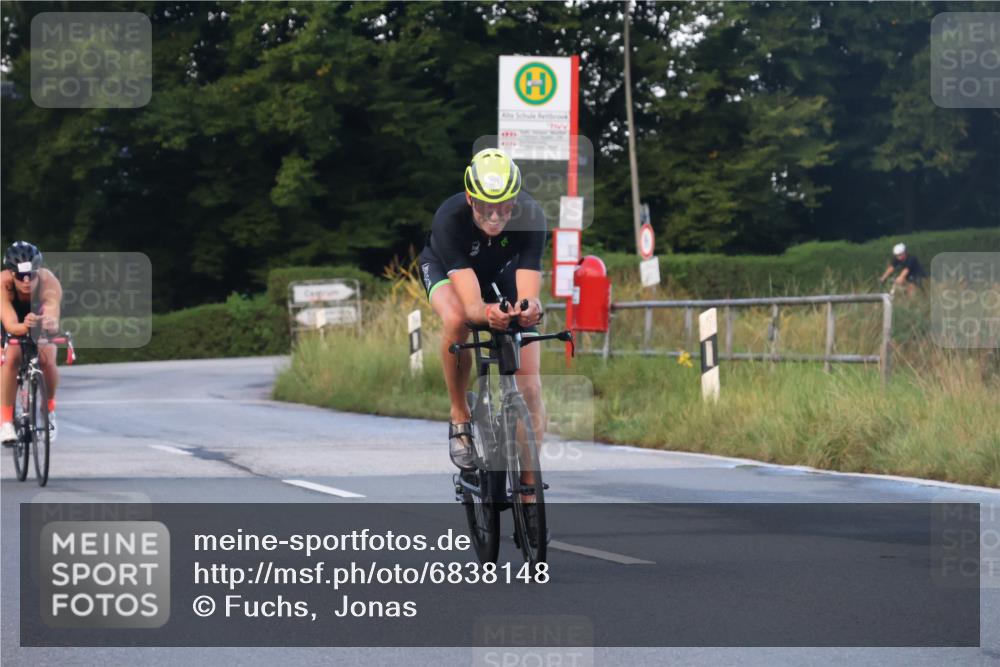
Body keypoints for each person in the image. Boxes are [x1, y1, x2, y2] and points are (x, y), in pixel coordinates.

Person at [419, 148, 547, 472]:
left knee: (530, 388)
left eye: (503, 206)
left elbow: (529, 294)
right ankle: (459, 413)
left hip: (502, 268)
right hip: (449, 269)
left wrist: (529, 309)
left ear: (515, 200)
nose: (494, 215)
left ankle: (529, 491)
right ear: (469, 198)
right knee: (458, 318)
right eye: (485, 206)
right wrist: (487, 315)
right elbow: (474, 307)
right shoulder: (450, 219)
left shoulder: (532, 215)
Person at [1, 241, 63, 445]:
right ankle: (6, 422)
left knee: (48, 356)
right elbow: (10, 324)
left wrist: (50, 322)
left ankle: (49, 410)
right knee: (10, 358)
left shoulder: (48, 281)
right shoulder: (3, 285)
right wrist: (23, 327)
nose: (27, 281)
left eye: (32, 275)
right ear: (11, 274)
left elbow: (52, 309)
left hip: (38, 315)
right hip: (10, 319)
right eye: (20, 276)